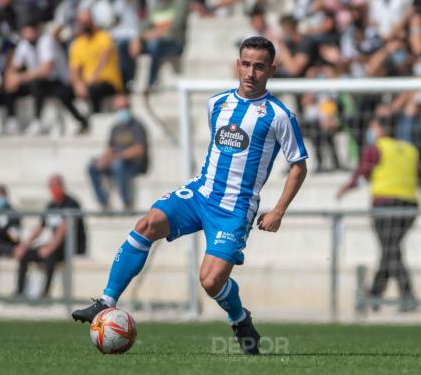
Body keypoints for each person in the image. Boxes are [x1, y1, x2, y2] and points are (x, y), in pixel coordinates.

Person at [72, 37, 308, 355]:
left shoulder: (279, 115)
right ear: (238, 64)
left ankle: (240, 320)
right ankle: (105, 303)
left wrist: (278, 210)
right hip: (200, 192)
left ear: (272, 70)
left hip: (234, 208)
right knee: (147, 223)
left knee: (210, 281)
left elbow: (298, 166)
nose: (251, 73)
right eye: (246, 64)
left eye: (259, 67)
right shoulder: (217, 103)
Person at [336, 114, 421, 312]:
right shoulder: (411, 150)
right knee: (390, 249)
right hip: (410, 207)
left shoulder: (375, 149)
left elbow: (361, 175)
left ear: (381, 129)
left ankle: (407, 297)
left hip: (385, 205)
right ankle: (374, 297)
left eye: (373, 127)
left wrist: (344, 189)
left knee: (390, 250)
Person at [7, 21, 89, 135]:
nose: (28, 35)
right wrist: (11, 78)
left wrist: (19, 77)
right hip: (42, 82)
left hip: (60, 81)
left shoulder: (47, 41)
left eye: (30, 31)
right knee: (9, 87)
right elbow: (13, 68)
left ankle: (38, 121)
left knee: (44, 87)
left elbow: (45, 71)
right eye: (26, 32)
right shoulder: (24, 44)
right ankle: (12, 121)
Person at [14, 175, 87, 298]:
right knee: (25, 254)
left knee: (50, 256)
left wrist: (50, 247)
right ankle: (20, 292)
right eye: (52, 186)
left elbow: (64, 228)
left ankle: (45, 294)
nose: (54, 189)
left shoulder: (71, 203)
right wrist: (24, 245)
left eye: (57, 185)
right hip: (56, 244)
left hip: (72, 246)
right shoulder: (51, 205)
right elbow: (40, 227)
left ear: (62, 186)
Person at [88, 94, 149, 210]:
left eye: (125, 106)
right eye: (120, 107)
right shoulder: (115, 128)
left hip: (134, 164)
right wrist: (103, 160)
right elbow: (110, 148)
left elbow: (139, 150)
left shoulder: (137, 126)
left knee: (118, 165)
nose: (123, 110)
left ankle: (127, 202)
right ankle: (103, 202)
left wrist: (118, 156)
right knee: (92, 166)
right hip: (117, 161)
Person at [69, 10, 124, 113]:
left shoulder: (104, 36)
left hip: (109, 81)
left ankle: (96, 118)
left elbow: (104, 59)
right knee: (65, 93)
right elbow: (74, 69)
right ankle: (83, 122)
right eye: (83, 22)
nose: (86, 25)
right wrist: (78, 84)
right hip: (89, 84)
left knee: (94, 91)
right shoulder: (77, 44)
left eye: (87, 21)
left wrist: (91, 80)